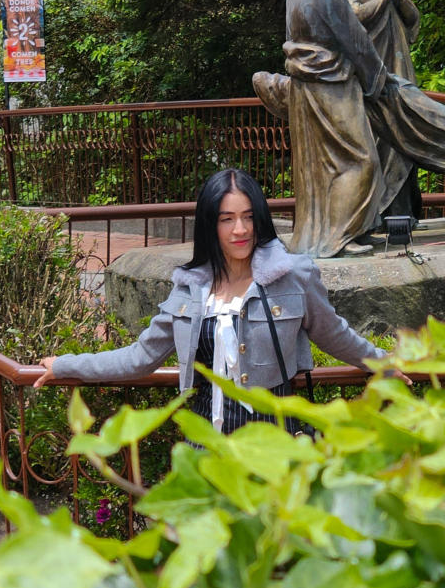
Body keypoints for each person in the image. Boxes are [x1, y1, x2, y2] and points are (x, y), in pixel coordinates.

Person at [33, 169, 386, 433]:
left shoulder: (293, 276)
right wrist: (65, 366)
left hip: (275, 442)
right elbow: (139, 358)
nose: (240, 230)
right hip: (207, 443)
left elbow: (334, 333)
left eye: (248, 217)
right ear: (209, 225)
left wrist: (385, 363)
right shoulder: (189, 290)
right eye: (226, 219)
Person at [253, 0, 400, 258]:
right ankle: (338, 239)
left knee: (321, 167)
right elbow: (357, 43)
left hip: (307, 86)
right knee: (361, 160)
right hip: (331, 86)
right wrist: (380, 80)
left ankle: (331, 234)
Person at [348, 0, 424, 221]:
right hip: (372, 76)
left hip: (400, 69)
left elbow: (414, 21)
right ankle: (376, 215)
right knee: (378, 140)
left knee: (404, 139)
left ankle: (403, 213)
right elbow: (353, 18)